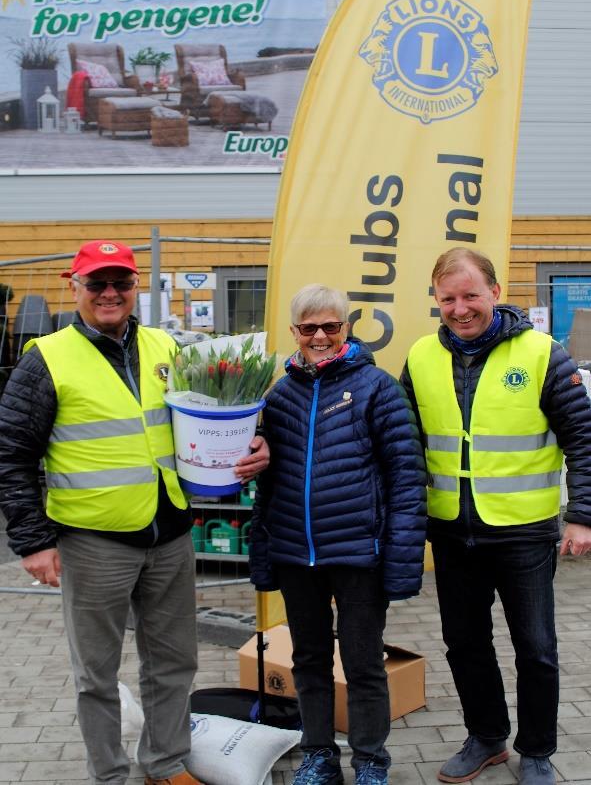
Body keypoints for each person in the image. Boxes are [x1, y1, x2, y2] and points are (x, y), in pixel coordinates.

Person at [0, 240, 268, 785]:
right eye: (96, 282)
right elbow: (12, 453)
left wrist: (254, 442)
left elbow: (211, 418)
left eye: (120, 282)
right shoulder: (45, 359)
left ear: (134, 288)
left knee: (174, 663)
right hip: (92, 541)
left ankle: (164, 764)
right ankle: (109, 775)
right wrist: (33, 541)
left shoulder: (169, 348)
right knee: (95, 675)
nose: (109, 293)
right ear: (73, 286)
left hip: (168, 532)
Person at [400, 248, 591, 785]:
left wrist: (583, 516)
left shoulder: (542, 354)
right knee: (464, 644)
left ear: (495, 294)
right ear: (436, 300)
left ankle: (536, 751)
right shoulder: (419, 356)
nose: (460, 309)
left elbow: (583, 438)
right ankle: (486, 738)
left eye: (470, 296)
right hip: (452, 531)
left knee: (536, 647)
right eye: (448, 299)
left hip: (524, 532)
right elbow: (402, 440)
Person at [249, 284, 427, 785]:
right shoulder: (278, 395)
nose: (321, 336)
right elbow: (266, 478)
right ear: (295, 333)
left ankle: (370, 760)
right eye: (310, 328)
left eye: (331, 326)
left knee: (363, 662)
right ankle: (319, 756)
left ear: (346, 328)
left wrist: (400, 560)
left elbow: (407, 478)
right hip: (295, 555)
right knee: (308, 660)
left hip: (358, 554)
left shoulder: (377, 388)